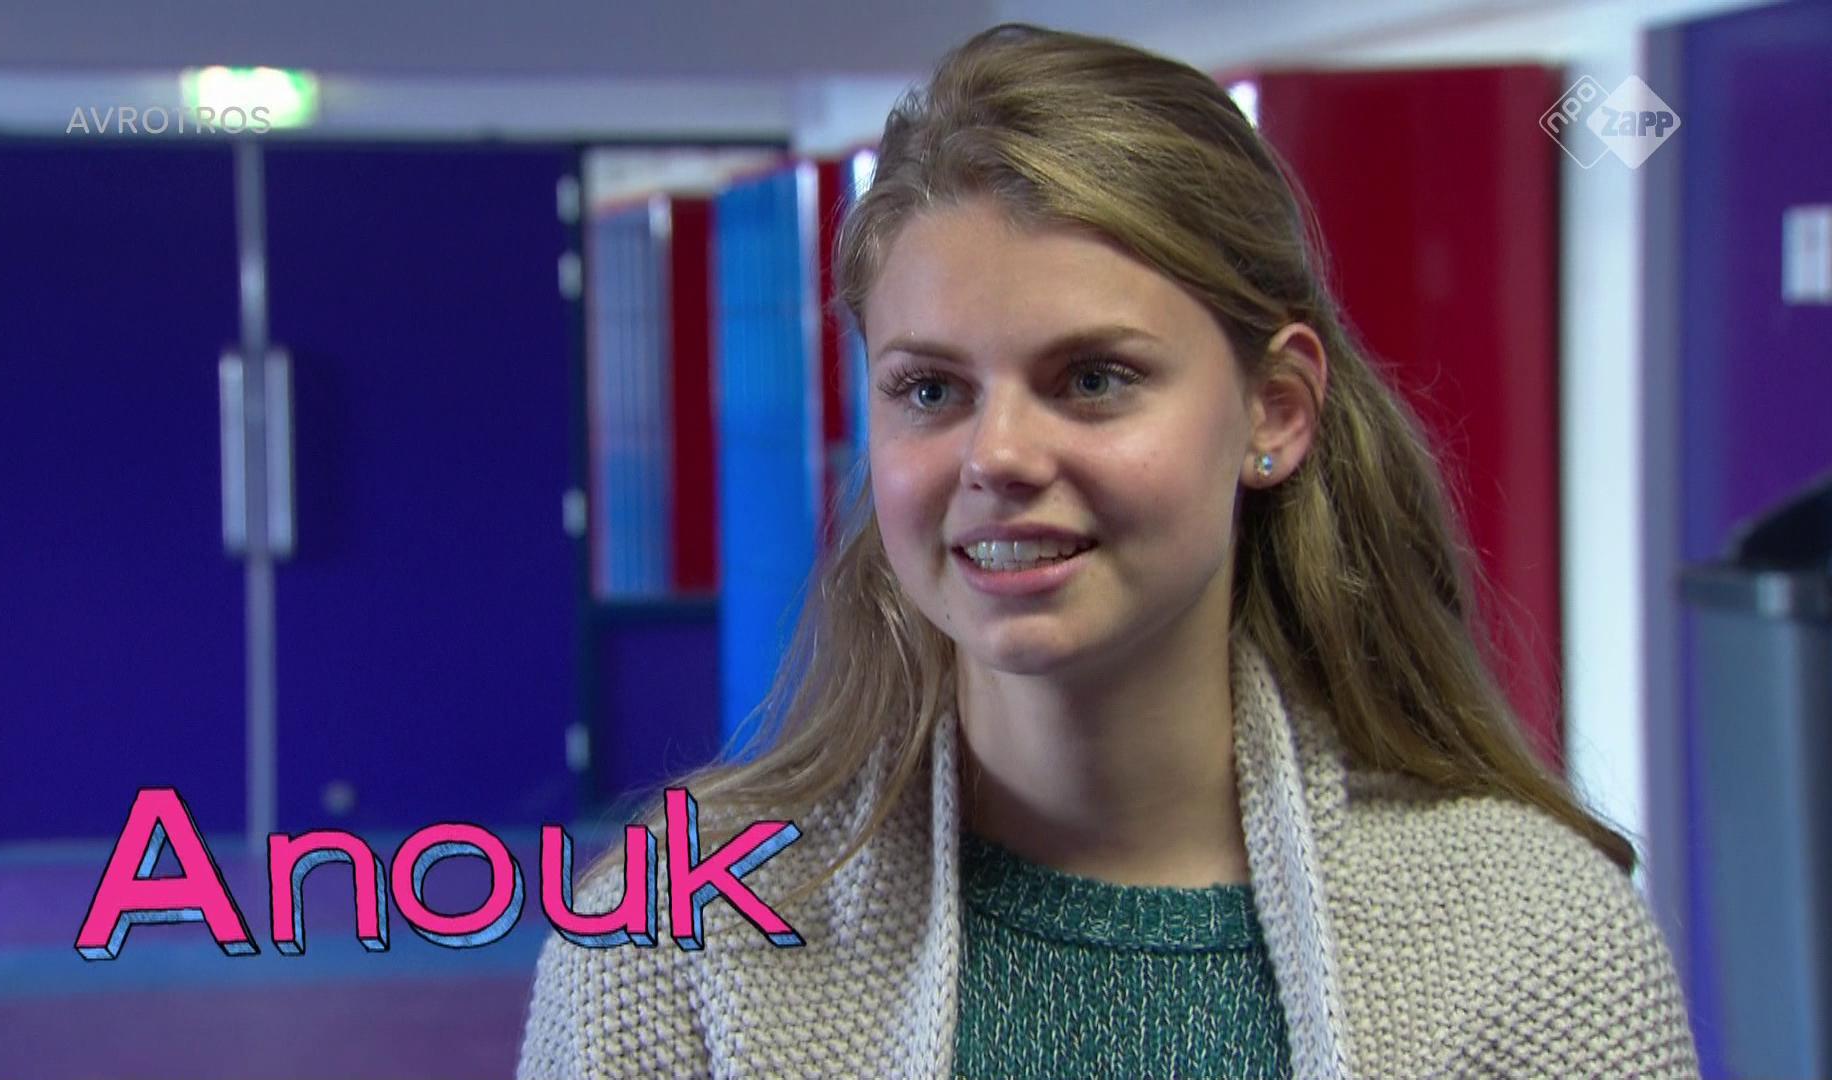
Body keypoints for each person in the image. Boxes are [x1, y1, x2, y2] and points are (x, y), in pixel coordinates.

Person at [518, 23, 1698, 1079]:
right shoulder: (676, 938)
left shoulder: (1534, 944)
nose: (998, 455)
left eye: (1093, 379)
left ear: (1276, 411)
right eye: (930, 389)